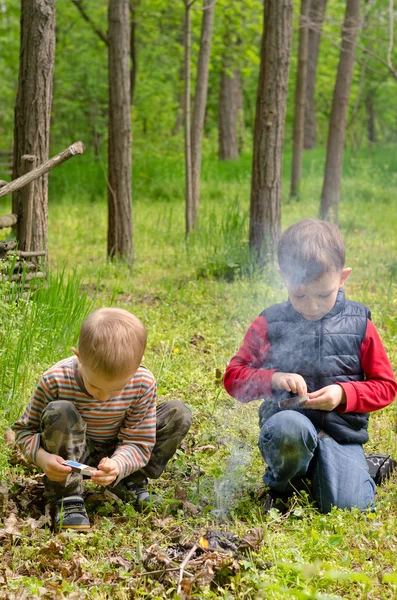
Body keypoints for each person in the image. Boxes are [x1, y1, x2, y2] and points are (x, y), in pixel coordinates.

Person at [224, 219, 397, 514]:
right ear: (284, 278)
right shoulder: (270, 323)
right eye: (300, 295)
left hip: (340, 435)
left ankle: (356, 469)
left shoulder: (359, 325)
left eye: (323, 295)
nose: (313, 306)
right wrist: (274, 377)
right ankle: (281, 485)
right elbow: (234, 379)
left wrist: (343, 395)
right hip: (288, 428)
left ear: (342, 278)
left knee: (347, 506)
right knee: (290, 429)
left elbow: (386, 386)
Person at [12, 308, 192, 531]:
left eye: (117, 389)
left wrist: (118, 464)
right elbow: (24, 431)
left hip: (117, 450)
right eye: (95, 386)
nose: (104, 397)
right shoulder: (55, 380)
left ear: (137, 366)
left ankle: (128, 480)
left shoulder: (142, 382)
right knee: (61, 410)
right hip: (74, 455)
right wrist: (42, 458)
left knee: (178, 414)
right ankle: (66, 495)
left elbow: (139, 440)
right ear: (79, 357)